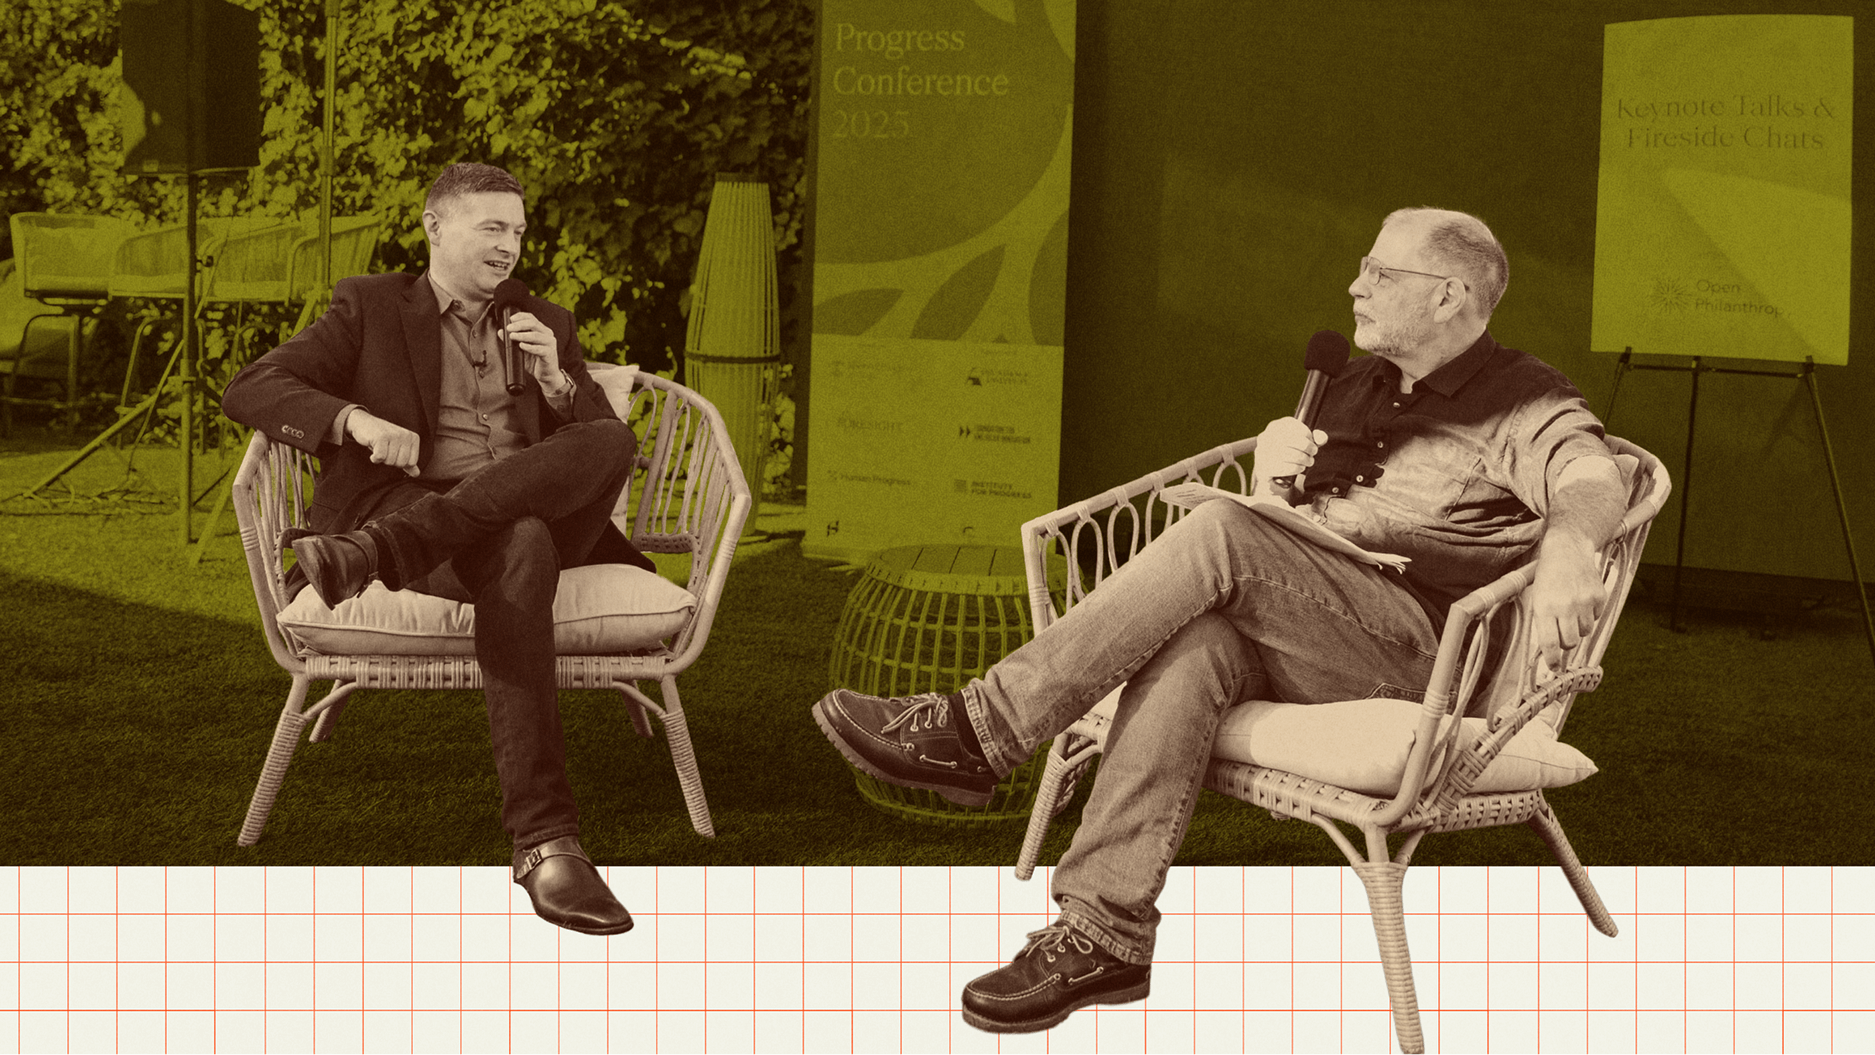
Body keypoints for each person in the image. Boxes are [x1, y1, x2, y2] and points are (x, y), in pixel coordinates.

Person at [811, 207, 1630, 1033]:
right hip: (1303, 627)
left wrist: (1568, 550)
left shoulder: (1522, 394)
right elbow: (1297, 531)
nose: (1355, 285)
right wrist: (1275, 484)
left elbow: (1592, 474)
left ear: (1450, 294)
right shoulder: (1357, 381)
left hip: (1416, 656)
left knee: (1222, 531)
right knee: (1199, 637)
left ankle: (980, 728)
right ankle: (1103, 931)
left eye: (1380, 273)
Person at [223, 162, 650, 936]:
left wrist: (558, 380)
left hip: (510, 526)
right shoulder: (371, 307)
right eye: (492, 227)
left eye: (517, 231)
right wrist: (351, 419)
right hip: (437, 512)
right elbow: (252, 386)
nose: (510, 246)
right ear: (435, 226)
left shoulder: (543, 320)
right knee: (516, 541)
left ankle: (376, 553)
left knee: (608, 438)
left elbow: (595, 444)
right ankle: (546, 843)